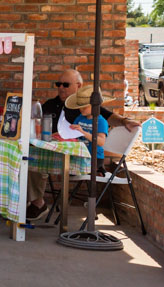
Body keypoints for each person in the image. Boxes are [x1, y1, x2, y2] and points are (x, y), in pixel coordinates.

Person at [28, 68, 138, 218]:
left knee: (35, 161)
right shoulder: (51, 104)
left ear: (78, 86)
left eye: (65, 84)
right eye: (58, 84)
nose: (60, 87)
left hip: (75, 156)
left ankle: (35, 205)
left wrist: (126, 121)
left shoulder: (87, 108)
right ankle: (36, 203)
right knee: (29, 159)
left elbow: (109, 116)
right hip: (51, 149)